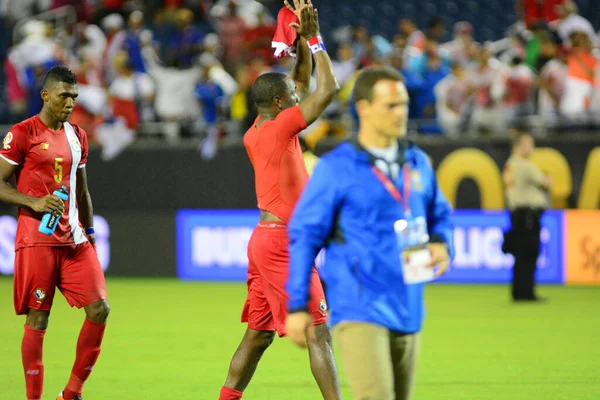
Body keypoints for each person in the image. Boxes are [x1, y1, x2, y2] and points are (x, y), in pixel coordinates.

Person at [286, 66, 454, 400]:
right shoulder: (338, 168)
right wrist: (296, 306)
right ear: (363, 108)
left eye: (404, 103)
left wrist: (441, 243)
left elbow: (440, 214)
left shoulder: (417, 162)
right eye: (390, 105)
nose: (401, 112)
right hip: (359, 306)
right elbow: (305, 236)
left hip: (408, 304)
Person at [218, 1, 341, 400]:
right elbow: (327, 89)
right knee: (319, 332)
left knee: (257, 338)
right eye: (291, 97)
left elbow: (301, 81)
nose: (297, 96)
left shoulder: (261, 128)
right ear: (278, 104)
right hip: (283, 244)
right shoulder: (280, 128)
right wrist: (318, 39)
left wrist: (301, 40)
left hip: (267, 239)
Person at [0, 66, 109, 400]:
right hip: (37, 242)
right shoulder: (22, 133)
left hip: (74, 240)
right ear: (46, 95)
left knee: (100, 309)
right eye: (64, 95)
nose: (70, 103)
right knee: (39, 318)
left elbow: (82, 191)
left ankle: (71, 393)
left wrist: (89, 232)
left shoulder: (78, 135)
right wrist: (32, 201)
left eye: (74, 97)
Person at [502, 132, 551, 302]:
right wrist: (547, 179)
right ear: (519, 146)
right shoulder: (524, 165)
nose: (532, 148)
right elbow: (545, 183)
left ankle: (519, 291)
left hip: (517, 214)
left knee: (520, 254)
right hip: (528, 214)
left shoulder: (510, 164)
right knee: (529, 254)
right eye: (529, 144)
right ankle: (527, 292)